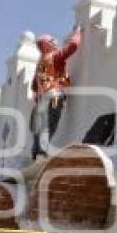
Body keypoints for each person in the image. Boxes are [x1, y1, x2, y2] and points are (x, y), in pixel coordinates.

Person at [30, 26, 82, 159]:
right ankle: (42, 151)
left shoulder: (40, 63)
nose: (56, 43)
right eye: (53, 41)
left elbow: (34, 85)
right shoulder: (54, 57)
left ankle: (36, 152)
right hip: (54, 95)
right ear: (49, 44)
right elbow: (73, 46)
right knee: (50, 124)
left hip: (42, 100)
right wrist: (77, 32)